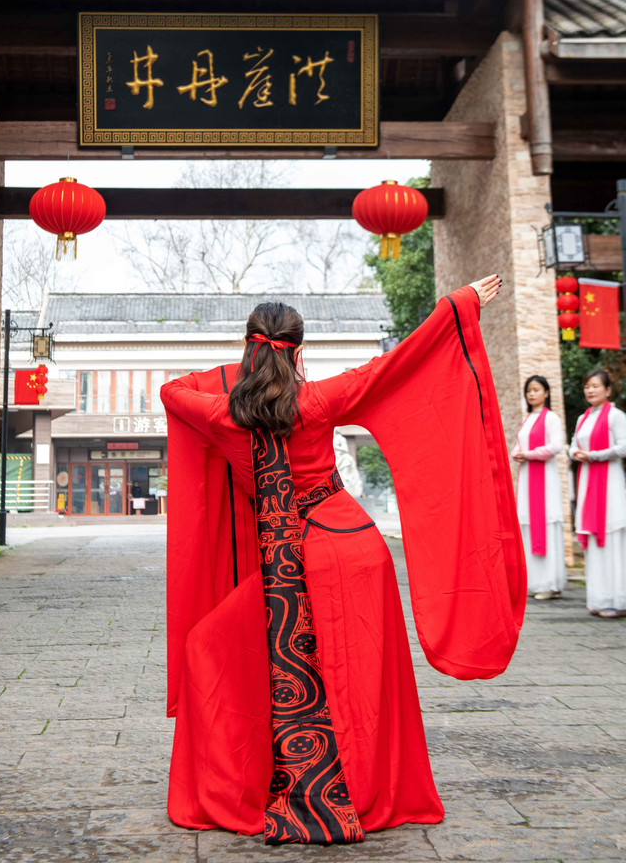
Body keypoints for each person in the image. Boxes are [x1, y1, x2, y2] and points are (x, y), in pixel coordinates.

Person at [162, 277, 525, 846]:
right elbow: (400, 363)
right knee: (356, 678)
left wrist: (237, 377)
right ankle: (355, 789)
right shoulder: (321, 397)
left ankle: (283, 785)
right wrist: (460, 305)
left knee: (216, 649)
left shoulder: (219, 412)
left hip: (302, 553)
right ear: (299, 351)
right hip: (349, 541)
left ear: (248, 347)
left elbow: (170, 390)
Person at [570, 369, 626, 619]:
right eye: (587, 386)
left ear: (608, 390)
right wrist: (576, 454)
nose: (590, 390)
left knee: (612, 538)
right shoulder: (583, 418)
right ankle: (599, 598)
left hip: (609, 483)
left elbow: (623, 446)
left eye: (595, 386)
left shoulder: (616, 416)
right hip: (588, 482)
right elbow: (573, 445)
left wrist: (594, 455)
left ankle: (618, 599)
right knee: (594, 540)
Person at [511, 375, 566, 600]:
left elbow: (556, 445)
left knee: (546, 524)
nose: (532, 394)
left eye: (536, 390)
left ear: (546, 393)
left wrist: (530, 455)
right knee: (528, 525)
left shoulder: (550, 418)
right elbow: (518, 446)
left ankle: (549, 583)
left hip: (544, 481)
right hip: (527, 479)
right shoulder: (527, 419)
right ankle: (534, 582)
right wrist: (516, 454)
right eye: (529, 390)